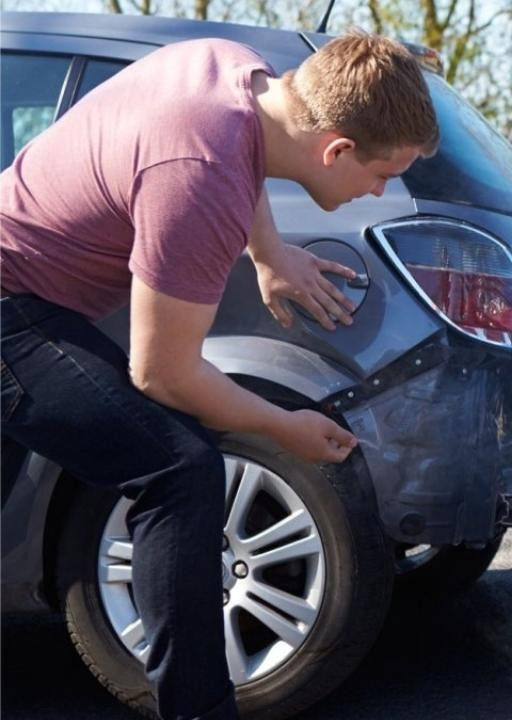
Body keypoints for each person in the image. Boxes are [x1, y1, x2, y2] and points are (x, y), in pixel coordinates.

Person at [0, 31, 438, 719]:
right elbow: (163, 376)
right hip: (10, 305)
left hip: (28, 296)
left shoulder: (235, 69)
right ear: (336, 150)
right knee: (178, 467)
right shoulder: (200, 173)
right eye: (383, 173)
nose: (379, 190)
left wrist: (268, 250)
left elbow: (245, 152)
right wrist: (283, 426)